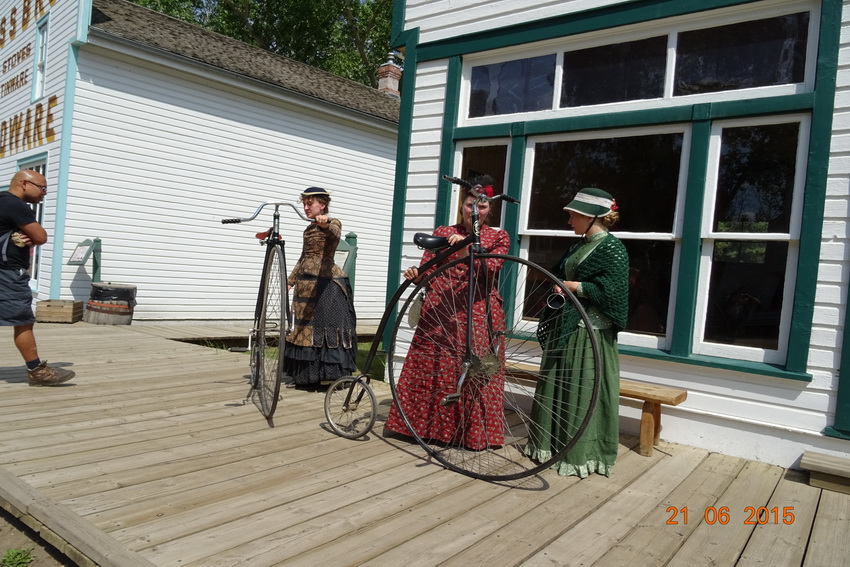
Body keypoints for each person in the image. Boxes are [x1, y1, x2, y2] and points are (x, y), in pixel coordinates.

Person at [384, 179, 510, 450]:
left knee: (472, 370)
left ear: (489, 209)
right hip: (439, 308)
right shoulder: (444, 231)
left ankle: (469, 436)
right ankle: (422, 428)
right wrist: (417, 276)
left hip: (475, 310)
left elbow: (492, 268)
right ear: (462, 205)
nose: (475, 211)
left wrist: (465, 249)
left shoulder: (498, 236)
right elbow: (429, 268)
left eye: (482, 206)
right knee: (430, 367)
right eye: (470, 204)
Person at [525, 187, 629, 477]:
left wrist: (575, 286)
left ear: (590, 216)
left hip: (589, 332)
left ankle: (581, 454)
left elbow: (613, 293)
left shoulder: (612, 249)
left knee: (581, 390)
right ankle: (548, 446)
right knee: (556, 385)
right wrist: (559, 283)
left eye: (573, 215)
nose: (569, 220)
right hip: (567, 325)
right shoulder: (578, 246)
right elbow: (561, 273)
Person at [0, 170, 76, 386]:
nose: (44, 193)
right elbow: (41, 236)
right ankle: (37, 371)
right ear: (24, 183)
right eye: (42, 188)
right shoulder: (15, 205)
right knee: (22, 321)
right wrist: (28, 237)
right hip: (7, 273)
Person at [282, 187, 357, 389]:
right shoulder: (308, 229)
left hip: (326, 285)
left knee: (325, 331)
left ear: (322, 205)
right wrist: (290, 281)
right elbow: (303, 257)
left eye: (310, 204)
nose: (306, 208)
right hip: (305, 286)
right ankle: (307, 378)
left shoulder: (333, 222)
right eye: (304, 204)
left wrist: (325, 224)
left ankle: (329, 377)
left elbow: (335, 233)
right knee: (303, 330)